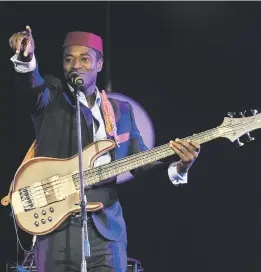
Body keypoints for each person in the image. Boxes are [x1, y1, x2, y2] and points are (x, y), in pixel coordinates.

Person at [8, 25, 200, 272]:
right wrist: (26, 59)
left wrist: (179, 167)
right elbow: (31, 88)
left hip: (107, 234)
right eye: (69, 59)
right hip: (56, 232)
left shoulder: (121, 111)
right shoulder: (51, 97)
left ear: (99, 65)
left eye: (84, 58)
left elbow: (140, 162)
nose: (76, 65)